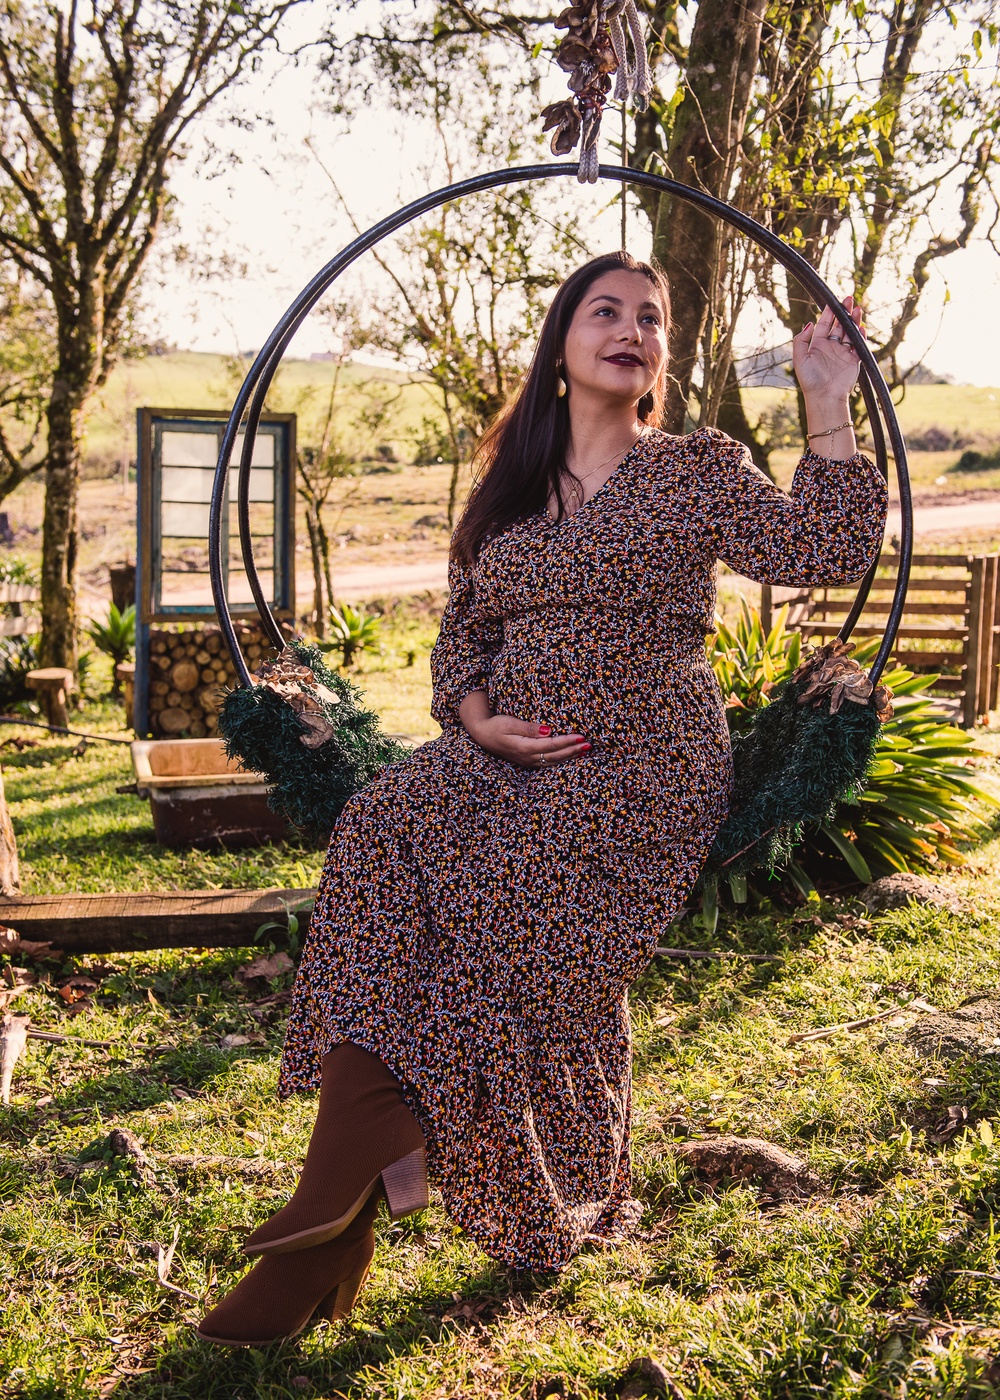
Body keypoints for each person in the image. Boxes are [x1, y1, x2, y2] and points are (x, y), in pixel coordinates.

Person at [197, 250, 887, 1346]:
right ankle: (347, 1190)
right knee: (382, 822)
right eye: (604, 311)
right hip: (502, 753)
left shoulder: (695, 469)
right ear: (561, 345)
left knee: (494, 919)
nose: (631, 330)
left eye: (650, 318)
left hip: (640, 762)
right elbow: (463, 634)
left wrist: (825, 396)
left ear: (662, 355)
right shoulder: (510, 490)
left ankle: (339, 1191)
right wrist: (474, 717)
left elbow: (829, 549)